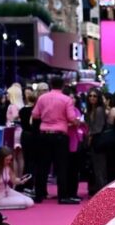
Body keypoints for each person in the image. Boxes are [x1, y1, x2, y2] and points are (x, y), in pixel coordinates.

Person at [31, 76, 79, 204]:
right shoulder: (66, 99)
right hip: (60, 135)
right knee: (62, 166)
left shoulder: (42, 98)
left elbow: (35, 115)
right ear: (63, 86)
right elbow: (71, 118)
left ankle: (39, 195)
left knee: (42, 166)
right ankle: (62, 196)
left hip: (44, 134)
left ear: (51, 85)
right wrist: (76, 123)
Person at [86, 88, 108, 196]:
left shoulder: (99, 110)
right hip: (94, 141)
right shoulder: (91, 109)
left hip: (98, 141)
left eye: (94, 96)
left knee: (100, 167)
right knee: (96, 167)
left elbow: (98, 128)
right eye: (90, 96)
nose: (92, 98)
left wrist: (90, 136)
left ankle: (102, 192)